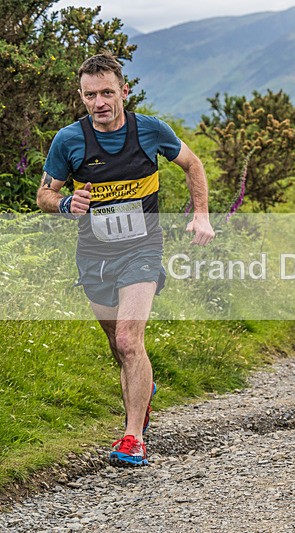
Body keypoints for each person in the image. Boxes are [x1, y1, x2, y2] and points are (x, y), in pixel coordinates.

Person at [36, 53, 215, 467]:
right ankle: (143, 387)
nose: (100, 102)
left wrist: (201, 214)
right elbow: (45, 194)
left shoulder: (150, 130)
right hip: (95, 257)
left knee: (128, 341)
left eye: (107, 93)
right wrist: (64, 203)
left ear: (124, 92)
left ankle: (133, 437)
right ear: (81, 97)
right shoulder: (69, 140)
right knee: (118, 347)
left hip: (142, 250)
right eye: (90, 95)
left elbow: (192, 164)